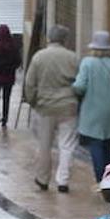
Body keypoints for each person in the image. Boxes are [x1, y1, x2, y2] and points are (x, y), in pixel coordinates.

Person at [23, 24, 80, 192]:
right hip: (68, 106)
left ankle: (43, 178)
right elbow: (80, 82)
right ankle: (63, 180)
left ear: (49, 38)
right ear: (65, 39)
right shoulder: (73, 57)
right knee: (67, 144)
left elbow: (29, 82)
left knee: (44, 145)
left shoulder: (39, 57)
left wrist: (32, 101)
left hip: (45, 106)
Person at [73, 30, 110, 181]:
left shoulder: (87, 63)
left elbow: (80, 86)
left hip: (92, 112)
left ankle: (101, 180)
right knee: (108, 145)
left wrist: (72, 87)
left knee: (96, 146)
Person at [0, 24, 21, 129]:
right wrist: (12, 67)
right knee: (6, 98)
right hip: (8, 77)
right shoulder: (13, 47)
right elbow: (18, 61)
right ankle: (5, 119)